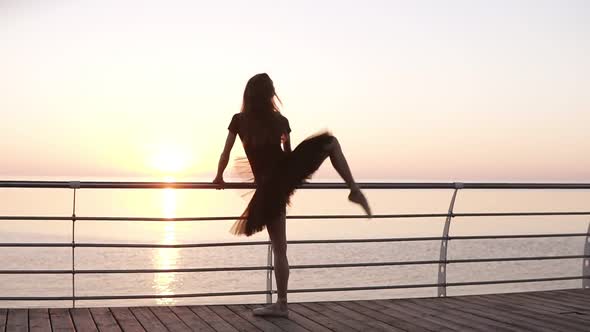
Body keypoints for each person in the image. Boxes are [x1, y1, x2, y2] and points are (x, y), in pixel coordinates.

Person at [213, 73, 371, 317]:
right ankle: (354, 188)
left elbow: (225, 152)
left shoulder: (239, 120)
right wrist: (285, 146)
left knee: (279, 249)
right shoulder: (280, 120)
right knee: (330, 142)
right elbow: (287, 152)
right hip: (285, 174)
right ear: (269, 95)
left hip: (270, 185)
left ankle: (282, 305)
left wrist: (218, 177)